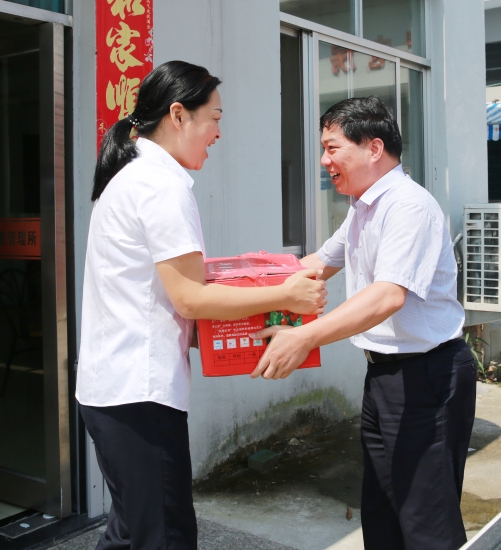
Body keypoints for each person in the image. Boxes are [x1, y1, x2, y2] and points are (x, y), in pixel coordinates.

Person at [76, 60, 327, 550]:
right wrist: (286, 295)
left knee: (130, 532)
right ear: (178, 115)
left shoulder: (132, 176)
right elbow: (190, 298)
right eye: (214, 118)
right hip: (138, 394)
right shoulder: (160, 186)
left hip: (114, 391)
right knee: (165, 536)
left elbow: (163, 294)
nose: (217, 133)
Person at [251, 96, 476, 550]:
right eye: (324, 149)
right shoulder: (364, 206)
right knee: (382, 511)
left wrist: (305, 336)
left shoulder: (408, 206)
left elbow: (388, 295)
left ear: (374, 148)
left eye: (332, 148)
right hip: (385, 377)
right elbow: (316, 264)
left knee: (425, 520)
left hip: (427, 378)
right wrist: (240, 286)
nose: (324, 161)